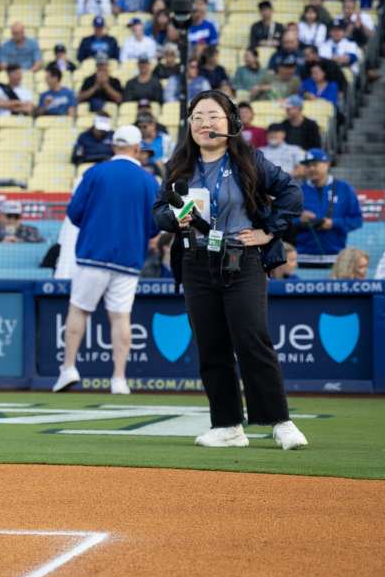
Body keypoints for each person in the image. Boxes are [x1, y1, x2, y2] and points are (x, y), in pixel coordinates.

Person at [153, 90, 308, 451]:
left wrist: (268, 231)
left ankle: (280, 422)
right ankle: (226, 425)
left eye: (214, 116)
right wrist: (175, 218)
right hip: (195, 262)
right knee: (211, 346)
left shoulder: (251, 161)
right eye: (198, 118)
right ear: (189, 126)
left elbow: (292, 195)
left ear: (231, 123)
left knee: (253, 339)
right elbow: (159, 212)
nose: (205, 124)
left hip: (243, 261)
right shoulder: (178, 166)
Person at [53, 125, 159, 396]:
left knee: (78, 310)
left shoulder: (95, 172)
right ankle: (119, 379)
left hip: (93, 254)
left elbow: (75, 213)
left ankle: (68, 368)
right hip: (128, 258)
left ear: (114, 146)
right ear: (137, 149)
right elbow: (155, 225)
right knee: (121, 317)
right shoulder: (149, 181)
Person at [294, 148, 362, 269]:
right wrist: (299, 220)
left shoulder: (344, 188)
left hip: (336, 258)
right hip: (303, 258)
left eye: (315, 164)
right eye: (307, 166)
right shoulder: (297, 190)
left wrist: (333, 223)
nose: (311, 169)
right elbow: (284, 221)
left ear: (327, 164)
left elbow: (357, 220)